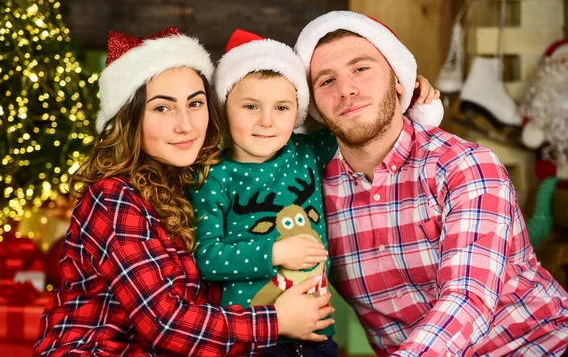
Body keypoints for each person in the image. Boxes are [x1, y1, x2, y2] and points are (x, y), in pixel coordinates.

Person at [33, 26, 335, 357]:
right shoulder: (115, 198)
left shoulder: (194, 182)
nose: (185, 124)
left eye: (195, 103)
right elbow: (165, 324)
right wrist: (275, 320)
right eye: (162, 108)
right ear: (130, 118)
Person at [294, 11, 568, 356]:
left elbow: (467, 298)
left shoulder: (464, 166)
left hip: (537, 345)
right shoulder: (312, 191)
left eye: (361, 69)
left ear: (398, 80)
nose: (346, 89)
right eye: (326, 81)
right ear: (315, 104)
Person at [189, 29, 443, 356]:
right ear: (224, 109)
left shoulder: (308, 151)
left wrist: (410, 93)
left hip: (318, 334)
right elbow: (207, 258)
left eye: (281, 108)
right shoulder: (212, 176)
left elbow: (361, 125)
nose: (267, 121)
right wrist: (274, 254)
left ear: (297, 112)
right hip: (254, 337)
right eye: (251, 106)